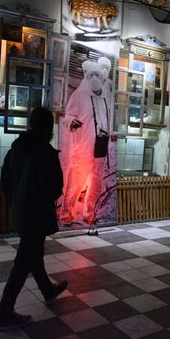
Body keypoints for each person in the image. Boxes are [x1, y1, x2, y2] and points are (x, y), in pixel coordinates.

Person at [0, 107, 68, 331]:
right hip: (36, 213)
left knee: (34, 254)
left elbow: (5, 182)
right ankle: (5, 314)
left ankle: (48, 290)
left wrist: (14, 200)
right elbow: (54, 188)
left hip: (20, 210)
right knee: (23, 263)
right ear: (48, 128)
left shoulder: (17, 148)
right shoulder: (45, 152)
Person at [61, 58, 111, 226]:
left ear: (102, 78)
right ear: (87, 76)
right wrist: (71, 123)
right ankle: (66, 213)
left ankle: (89, 212)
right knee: (75, 182)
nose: (94, 78)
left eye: (97, 75)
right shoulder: (80, 95)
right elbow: (67, 116)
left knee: (96, 183)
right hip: (83, 147)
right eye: (92, 75)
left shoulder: (105, 97)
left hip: (101, 147)